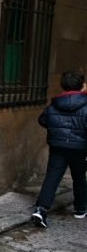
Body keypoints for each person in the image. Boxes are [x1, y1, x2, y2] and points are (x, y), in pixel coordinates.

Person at [31, 70, 87, 228]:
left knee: (52, 177)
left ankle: (41, 209)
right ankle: (80, 209)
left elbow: (42, 120)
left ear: (63, 85)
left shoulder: (54, 104)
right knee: (79, 177)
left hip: (58, 147)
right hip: (80, 148)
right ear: (81, 85)